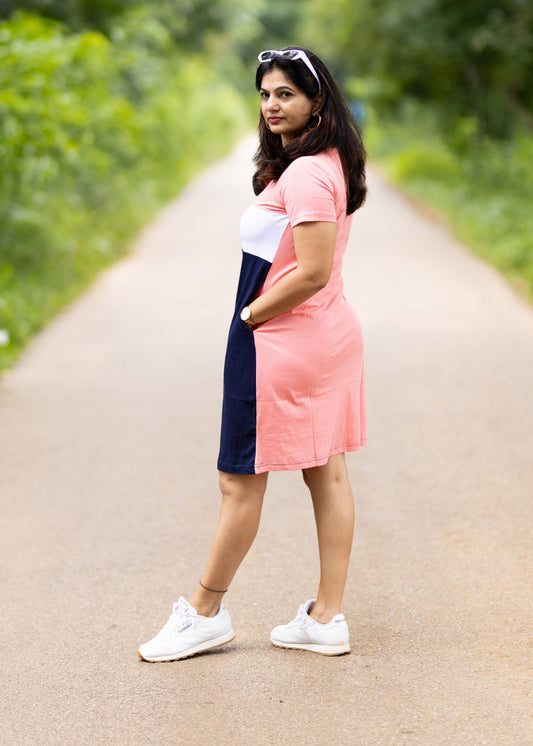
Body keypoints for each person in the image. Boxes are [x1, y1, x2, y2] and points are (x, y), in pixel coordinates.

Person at [138, 46, 367, 662]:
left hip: (279, 343)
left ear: (318, 101)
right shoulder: (323, 161)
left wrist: (250, 316)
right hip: (318, 338)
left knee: (238, 482)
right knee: (327, 471)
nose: (272, 104)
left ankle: (205, 613)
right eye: (266, 93)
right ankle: (326, 618)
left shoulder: (308, 173)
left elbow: (312, 271)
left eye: (286, 94)